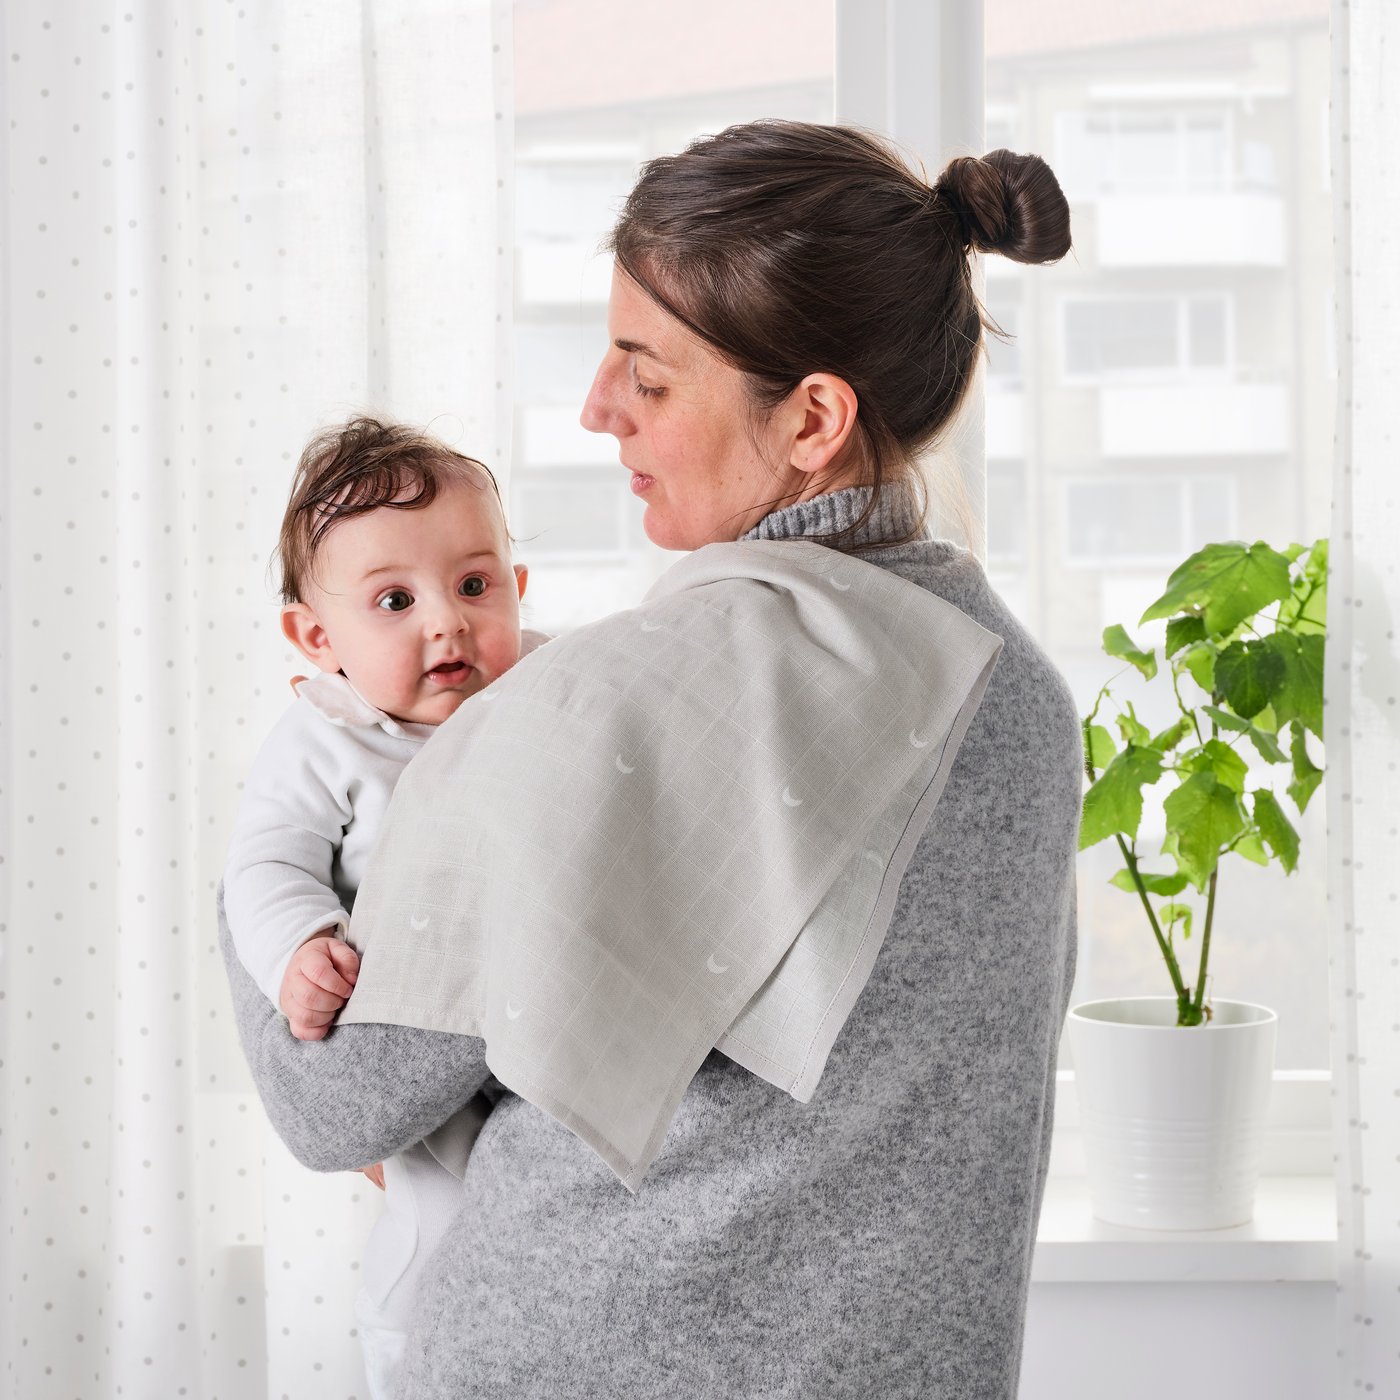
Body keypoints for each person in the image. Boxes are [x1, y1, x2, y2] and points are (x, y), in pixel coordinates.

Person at [219, 120, 1081, 1398]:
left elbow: (332, 1102)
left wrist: (277, 813)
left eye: (649, 373)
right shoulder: (1021, 695)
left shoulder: (627, 702)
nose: (595, 406)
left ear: (812, 420)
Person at [221, 417, 540, 1399]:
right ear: (319, 640)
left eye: (475, 585)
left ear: (517, 592)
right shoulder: (325, 742)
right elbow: (261, 865)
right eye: (394, 600)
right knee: (437, 1228)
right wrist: (299, 949)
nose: (445, 621)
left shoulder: (545, 692)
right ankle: (407, 1365)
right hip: (406, 1042)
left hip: (531, 1048)